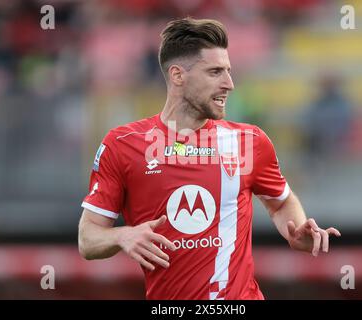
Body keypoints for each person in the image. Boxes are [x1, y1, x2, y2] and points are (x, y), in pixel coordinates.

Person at [78, 17, 341, 300]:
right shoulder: (123, 145)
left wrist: (296, 229)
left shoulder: (250, 142)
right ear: (178, 76)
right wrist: (122, 236)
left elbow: (281, 203)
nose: (229, 83)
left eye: (229, 71)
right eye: (215, 72)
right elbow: (88, 238)